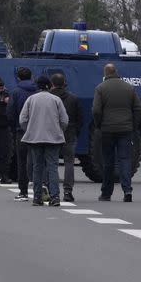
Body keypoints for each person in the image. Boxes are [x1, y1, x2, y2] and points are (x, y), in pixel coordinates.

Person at [92, 63, 141, 202]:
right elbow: (139, 108)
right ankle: (127, 191)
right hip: (125, 130)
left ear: (105, 73)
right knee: (125, 160)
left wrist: (99, 125)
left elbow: (96, 110)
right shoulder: (129, 88)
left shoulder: (100, 88)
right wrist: (133, 125)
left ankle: (106, 193)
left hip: (107, 130)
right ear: (116, 72)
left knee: (108, 162)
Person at [20, 76, 68, 207]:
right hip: (53, 139)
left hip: (35, 138)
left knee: (37, 167)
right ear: (49, 86)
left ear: (37, 86)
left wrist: (30, 129)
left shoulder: (31, 99)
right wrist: (59, 130)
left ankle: (37, 197)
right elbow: (64, 120)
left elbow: (22, 119)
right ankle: (55, 197)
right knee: (52, 167)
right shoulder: (56, 99)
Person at [50, 73, 83, 202]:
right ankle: (68, 191)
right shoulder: (73, 98)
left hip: (51, 132)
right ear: (64, 83)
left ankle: (52, 190)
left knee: (51, 162)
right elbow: (80, 118)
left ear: (52, 84)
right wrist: (75, 131)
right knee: (69, 162)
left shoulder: (48, 98)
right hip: (70, 132)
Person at [7, 67, 38, 201]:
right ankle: (39, 191)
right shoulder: (38, 91)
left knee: (22, 161)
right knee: (38, 161)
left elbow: (10, 113)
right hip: (38, 131)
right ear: (31, 77)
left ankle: (23, 192)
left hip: (21, 131)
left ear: (18, 78)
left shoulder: (15, 92)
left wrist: (15, 127)